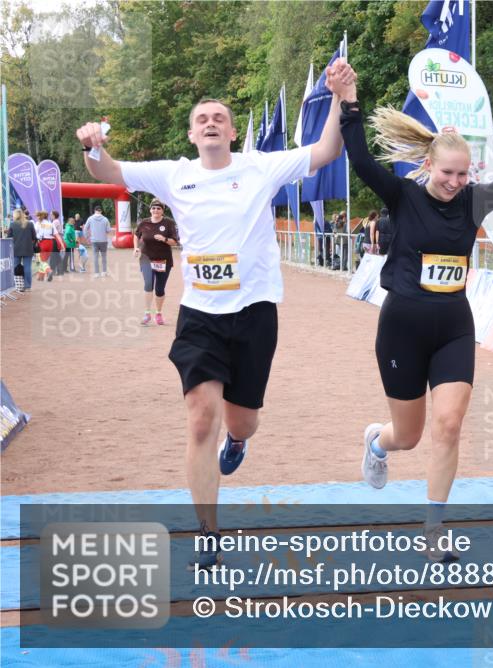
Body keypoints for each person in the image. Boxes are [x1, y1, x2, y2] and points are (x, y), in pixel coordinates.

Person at [76, 73, 345, 568]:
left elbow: (326, 150)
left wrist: (342, 101)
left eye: (219, 117)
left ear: (233, 131)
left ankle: (238, 440)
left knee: (242, 420)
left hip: (255, 312)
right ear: (192, 135)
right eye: (202, 119)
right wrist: (94, 146)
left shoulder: (260, 167)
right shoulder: (173, 174)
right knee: (201, 418)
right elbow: (110, 170)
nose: (211, 123)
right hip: (200, 314)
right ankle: (208, 532)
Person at [329, 59, 493, 561]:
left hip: (454, 326)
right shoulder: (403, 196)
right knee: (408, 436)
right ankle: (377, 442)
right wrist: (349, 104)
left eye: (463, 174)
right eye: (447, 173)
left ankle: (433, 532)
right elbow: (361, 161)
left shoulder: (474, 201)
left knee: (450, 424)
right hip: (402, 328)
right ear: (429, 167)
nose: (455, 182)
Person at [133, 199, 180, 325]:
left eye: (158, 208)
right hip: (146, 258)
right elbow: (136, 235)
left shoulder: (169, 223)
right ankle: (147, 313)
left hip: (164, 260)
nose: (156, 210)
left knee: (159, 289)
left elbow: (175, 242)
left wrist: (164, 239)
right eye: (153, 208)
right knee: (148, 284)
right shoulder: (144, 223)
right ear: (150, 210)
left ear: (162, 211)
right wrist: (136, 248)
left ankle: (158, 313)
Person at [9, 209, 37, 292]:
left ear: (15, 215)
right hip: (28, 249)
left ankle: (17, 284)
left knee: (15, 266)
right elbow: (34, 237)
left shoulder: (12, 224)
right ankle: (27, 286)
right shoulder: (30, 224)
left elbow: (9, 237)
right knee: (27, 267)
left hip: (16, 249)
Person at [83, 206, 112, 277]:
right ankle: (104, 272)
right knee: (104, 256)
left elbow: (85, 228)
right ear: (101, 211)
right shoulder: (105, 219)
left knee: (95, 257)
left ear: (94, 211)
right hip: (103, 240)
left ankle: (96, 273)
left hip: (94, 240)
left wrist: (87, 237)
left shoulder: (90, 218)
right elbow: (108, 230)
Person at [34, 211, 57, 282]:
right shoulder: (50, 223)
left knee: (41, 260)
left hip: (41, 242)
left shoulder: (38, 223)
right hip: (50, 242)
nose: (37, 217)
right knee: (43, 260)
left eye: (38, 216)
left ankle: (48, 271)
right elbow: (55, 234)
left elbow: (34, 232)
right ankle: (41, 277)